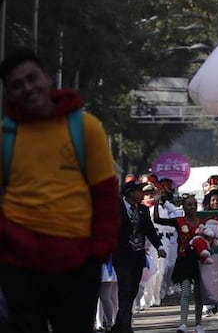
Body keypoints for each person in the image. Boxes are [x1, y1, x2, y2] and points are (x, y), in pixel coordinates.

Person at [0, 48, 120, 333]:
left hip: (77, 261)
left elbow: (105, 196)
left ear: (47, 77)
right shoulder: (6, 135)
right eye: (17, 85)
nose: (27, 88)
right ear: (9, 94)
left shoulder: (85, 127)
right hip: (18, 262)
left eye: (32, 78)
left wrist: (99, 252)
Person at [114, 181, 169, 333]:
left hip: (137, 256)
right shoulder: (116, 209)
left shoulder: (143, 210)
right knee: (124, 291)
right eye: (139, 191)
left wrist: (159, 247)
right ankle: (125, 327)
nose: (142, 194)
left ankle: (118, 325)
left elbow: (150, 231)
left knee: (132, 291)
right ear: (130, 193)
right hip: (121, 256)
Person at [154, 194, 214, 333]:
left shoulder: (203, 222)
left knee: (199, 294)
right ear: (183, 207)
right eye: (189, 205)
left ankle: (199, 324)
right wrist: (156, 203)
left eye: (194, 204)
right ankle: (183, 324)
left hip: (200, 261)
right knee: (185, 292)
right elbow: (157, 219)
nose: (192, 207)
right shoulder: (179, 221)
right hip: (184, 260)